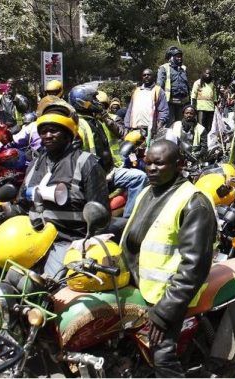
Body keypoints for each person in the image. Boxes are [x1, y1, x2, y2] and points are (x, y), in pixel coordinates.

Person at [120, 140, 216, 377]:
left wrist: (165, 312)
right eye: (148, 162)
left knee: (161, 356)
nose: (151, 168)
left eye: (159, 164)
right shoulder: (147, 192)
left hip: (168, 297)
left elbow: (195, 266)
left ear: (179, 165)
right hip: (138, 288)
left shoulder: (194, 202)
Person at [19, 96, 109, 277]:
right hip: (32, 237)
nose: (47, 136)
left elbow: (100, 214)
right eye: (43, 131)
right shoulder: (35, 164)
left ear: (68, 133)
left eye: (53, 131)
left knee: (45, 287)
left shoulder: (85, 163)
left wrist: (86, 244)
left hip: (67, 241)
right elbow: (21, 202)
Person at [69, 85, 148, 218]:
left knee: (139, 177)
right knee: (139, 178)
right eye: (94, 98)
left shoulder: (100, 120)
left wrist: (105, 116)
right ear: (83, 102)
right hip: (93, 176)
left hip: (111, 170)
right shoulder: (77, 125)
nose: (97, 102)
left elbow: (121, 133)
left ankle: (128, 220)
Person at [125, 69, 169, 143]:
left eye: (148, 75)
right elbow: (130, 109)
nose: (146, 76)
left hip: (150, 129)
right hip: (135, 128)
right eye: (144, 75)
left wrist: (160, 124)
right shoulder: (137, 91)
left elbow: (164, 110)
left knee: (148, 152)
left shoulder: (158, 90)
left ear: (153, 77)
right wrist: (126, 126)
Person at [157, 46, 189, 125]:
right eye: (177, 57)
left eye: (180, 56)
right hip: (169, 103)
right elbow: (159, 85)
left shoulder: (183, 69)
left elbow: (187, 85)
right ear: (171, 58)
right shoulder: (164, 68)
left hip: (183, 103)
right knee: (169, 125)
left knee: (180, 125)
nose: (180, 58)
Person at [190, 68, 217, 132]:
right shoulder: (198, 83)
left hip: (210, 109)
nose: (208, 75)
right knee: (201, 126)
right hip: (201, 108)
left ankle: (207, 140)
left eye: (209, 74)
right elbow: (193, 96)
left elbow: (215, 97)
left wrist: (216, 106)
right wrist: (193, 107)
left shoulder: (212, 84)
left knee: (209, 127)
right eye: (206, 73)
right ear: (203, 74)